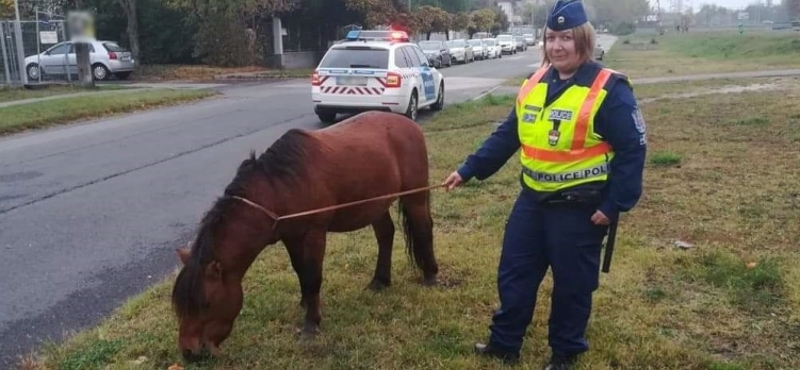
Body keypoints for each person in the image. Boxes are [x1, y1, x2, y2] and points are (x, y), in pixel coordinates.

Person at [441, 0, 647, 369]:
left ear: (582, 40)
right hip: (532, 202)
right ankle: (505, 344)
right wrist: (469, 169)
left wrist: (614, 205)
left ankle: (565, 354)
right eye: (551, 37)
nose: (557, 46)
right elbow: (508, 135)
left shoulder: (608, 89)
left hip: (580, 208)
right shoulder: (535, 82)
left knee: (572, 286)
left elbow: (634, 150)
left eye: (565, 38)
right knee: (514, 275)